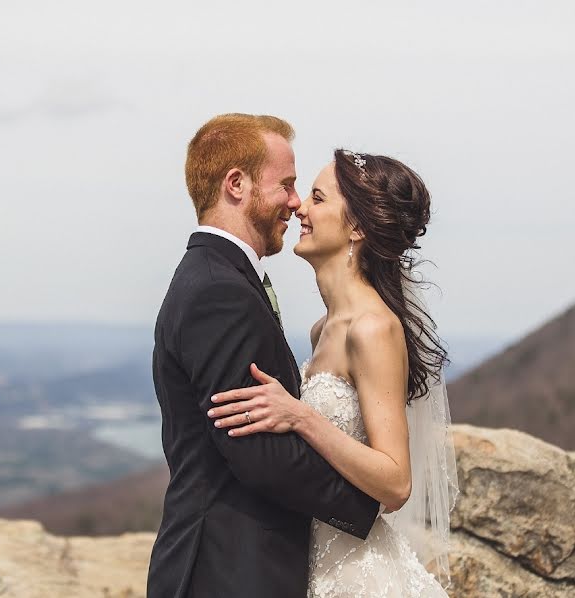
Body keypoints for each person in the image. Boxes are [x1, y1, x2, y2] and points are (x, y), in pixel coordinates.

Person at [207, 149, 459, 596]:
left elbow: (396, 481)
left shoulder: (372, 328)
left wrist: (302, 417)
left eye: (318, 198)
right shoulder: (322, 329)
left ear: (357, 228)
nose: (300, 206)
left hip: (360, 576)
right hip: (312, 562)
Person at [147, 115, 380, 598]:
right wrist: (364, 507)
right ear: (237, 184)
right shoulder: (219, 291)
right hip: (228, 570)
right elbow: (258, 452)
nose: (295, 204)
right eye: (287, 186)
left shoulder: (217, 277)